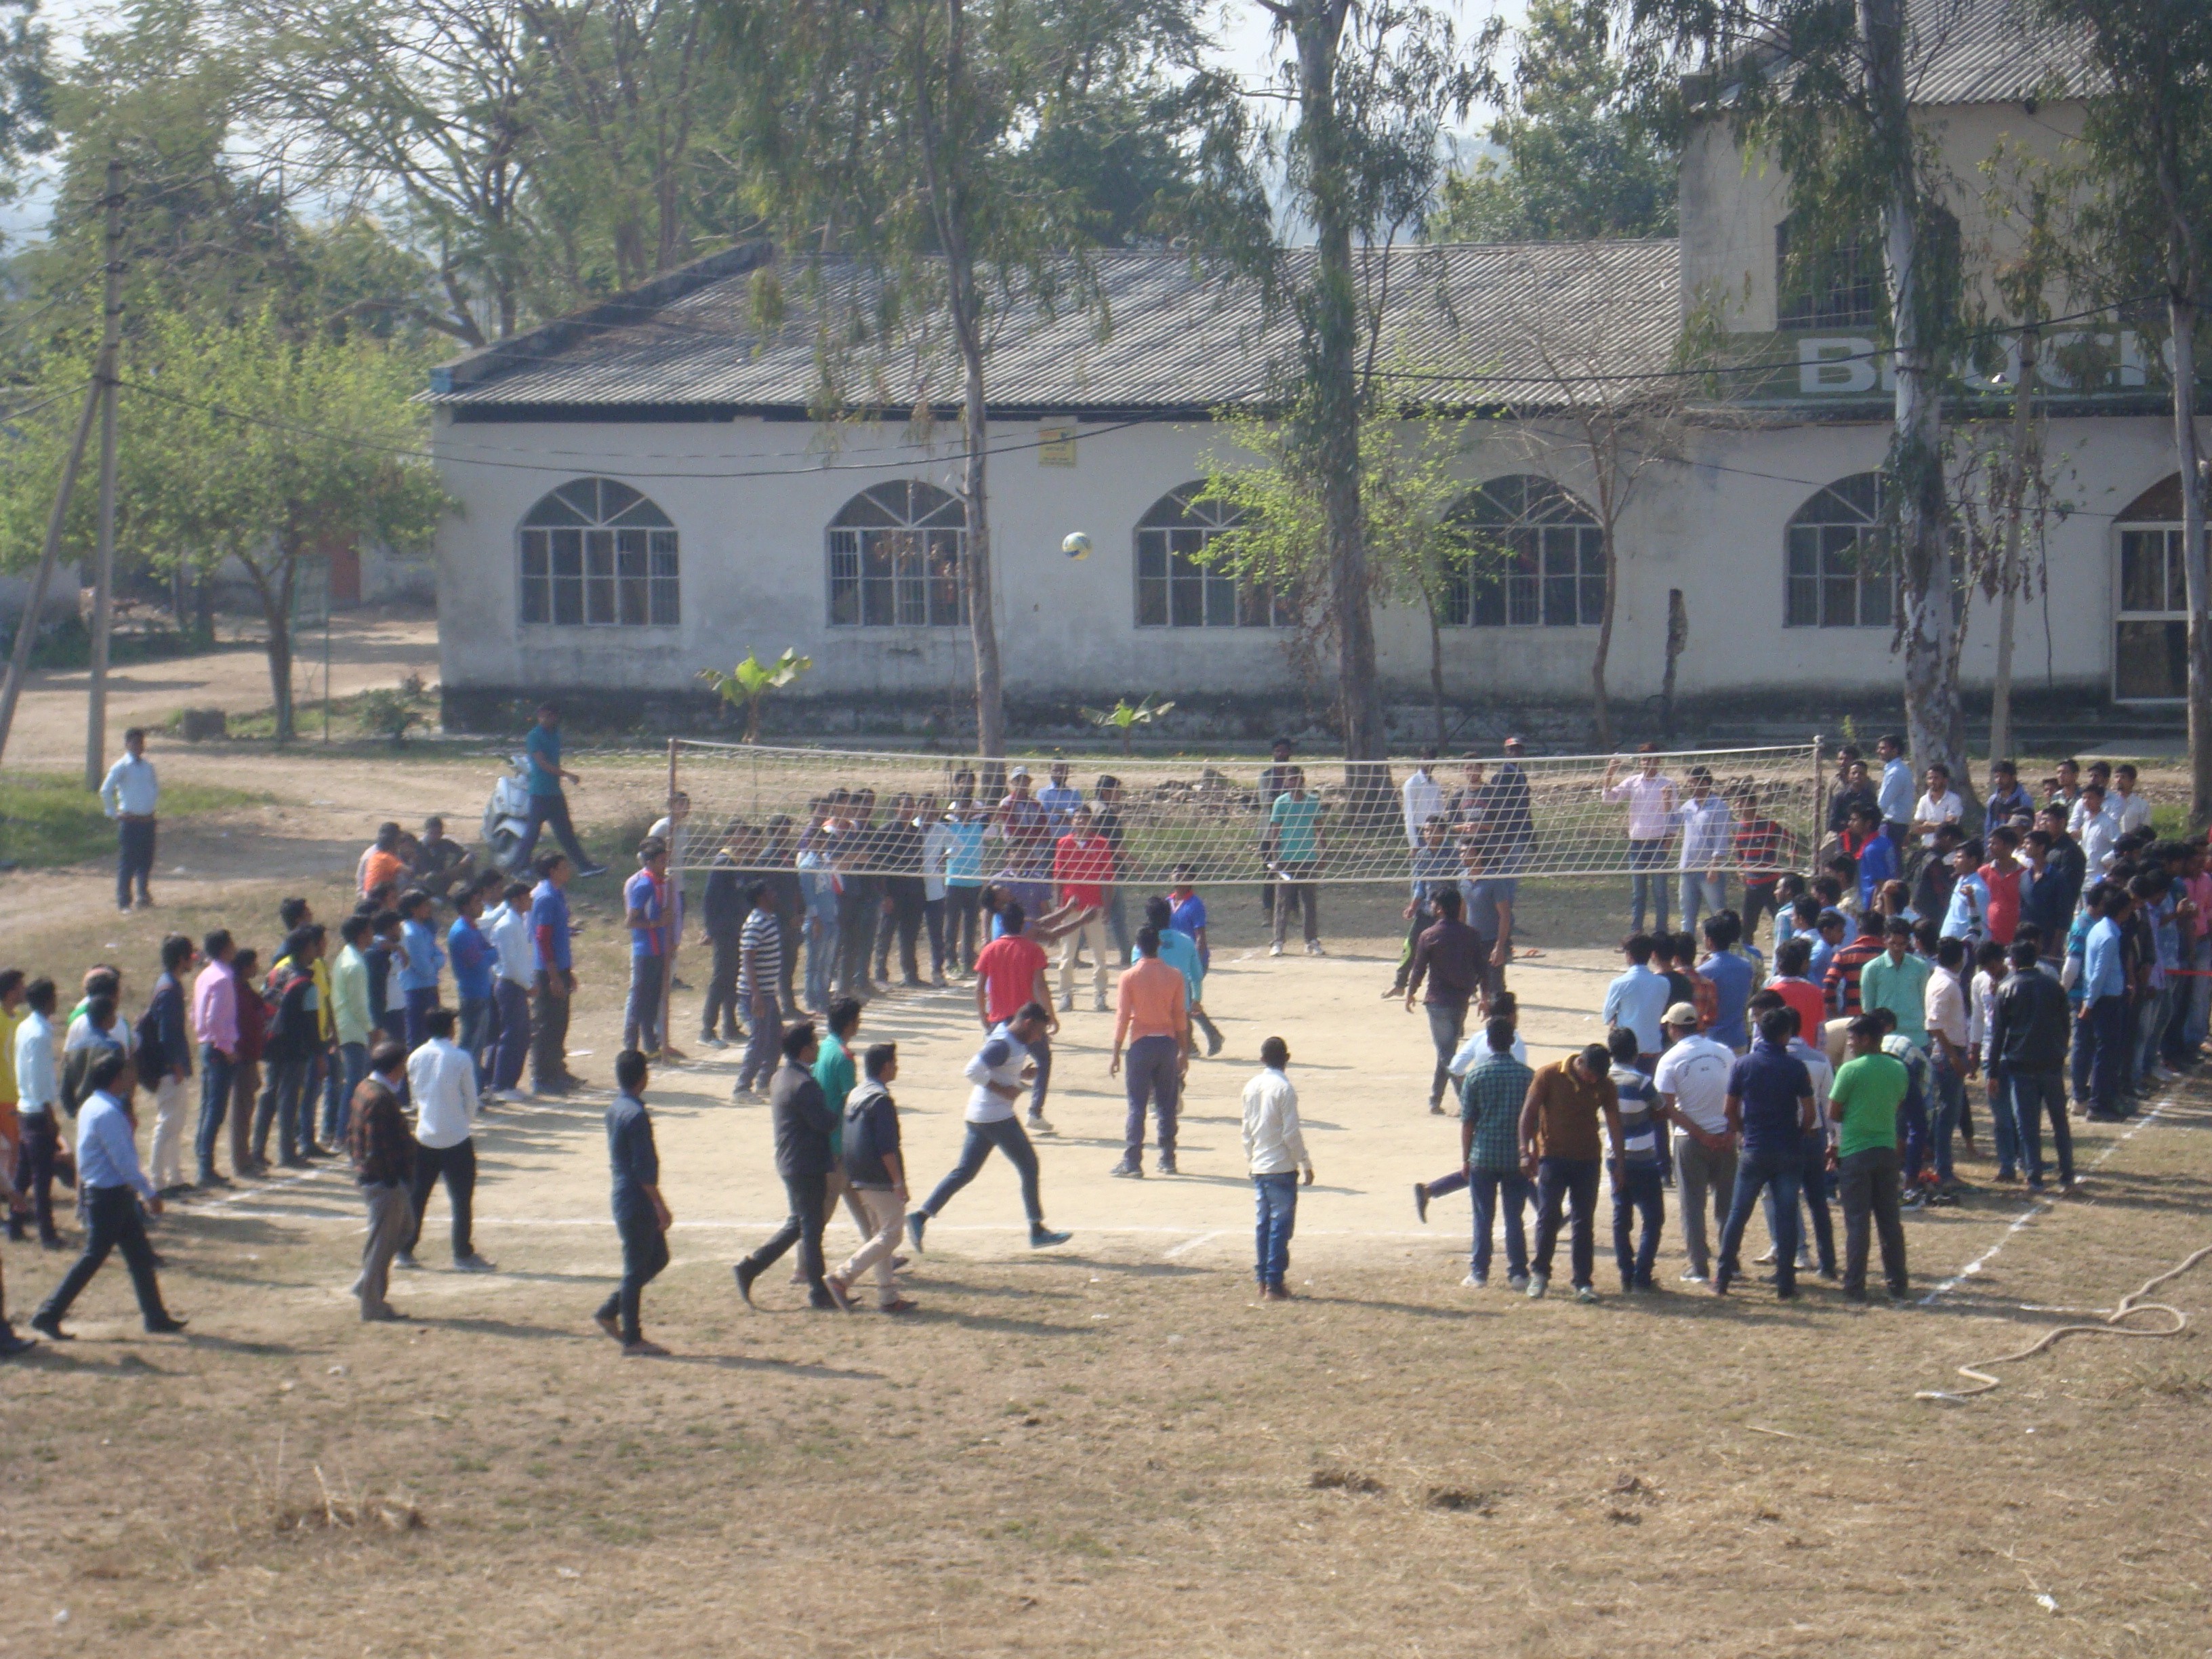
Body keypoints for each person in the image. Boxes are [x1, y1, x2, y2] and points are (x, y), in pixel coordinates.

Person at [33, 1048, 186, 1340]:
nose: (131, 1077)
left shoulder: (94, 1105)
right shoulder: (109, 1113)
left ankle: (155, 1316)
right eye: (126, 1073)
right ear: (117, 1078)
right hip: (109, 1196)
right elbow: (124, 1162)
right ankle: (48, 1313)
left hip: (109, 1195)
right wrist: (149, 1193)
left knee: (139, 1257)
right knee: (93, 1258)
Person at [907, 1006, 1072, 1254]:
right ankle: (1037, 1231)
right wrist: (1002, 1090)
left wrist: (1021, 1074)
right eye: (1039, 1030)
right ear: (1028, 1023)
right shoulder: (1003, 1043)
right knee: (1029, 1165)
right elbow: (972, 1070)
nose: (1039, 1037)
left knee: (964, 1173)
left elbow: (1000, 1069)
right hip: (996, 1117)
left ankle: (920, 1217)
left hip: (980, 1117)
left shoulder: (1012, 1040)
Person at [735, 1023, 846, 1310]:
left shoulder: (781, 1077)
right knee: (811, 1229)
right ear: (805, 1049)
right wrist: (843, 1109)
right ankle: (818, 1292)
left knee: (800, 1225)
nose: (819, 1048)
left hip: (792, 1161)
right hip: (806, 1164)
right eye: (815, 1044)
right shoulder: (804, 1084)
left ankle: (751, 1268)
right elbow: (823, 1122)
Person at [1712, 1007, 1816, 1299]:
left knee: (1738, 1214)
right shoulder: (1796, 1068)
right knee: (1786, 1215)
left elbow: (1729, 1110)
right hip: (1786, 1149)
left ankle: (1722, 1278)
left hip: (1755, 1148)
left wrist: (1743, 1131)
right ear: (1787, 1034)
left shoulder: (1744, 1065)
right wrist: (1799, 1133)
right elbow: (1809, 1112)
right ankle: (1786, 1283)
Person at [1518, 1043, 1622, 1303]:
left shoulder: (1605, 1085)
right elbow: (1529, 1112)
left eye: (1598, 1077)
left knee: (1583, 1221)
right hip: (1552, 1157)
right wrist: (1525, 1150)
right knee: (1548, 1215)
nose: (1593, 1080)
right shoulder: (1549, 1075)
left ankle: (1583, 1282)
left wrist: (1620, 1162)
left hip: (1588, 1160)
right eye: (1590, 1075)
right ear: (1581, 1063)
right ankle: (1540, 1274)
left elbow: (1614, 1123)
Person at [398, 1007, 494, 1272]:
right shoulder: (460, 1058)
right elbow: (471, 1099)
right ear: (450, 1029)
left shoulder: (415, 1057)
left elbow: (417, 1096)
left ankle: (405, 1250)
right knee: (462, 1199)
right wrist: (462, 1123)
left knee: (418, 1197)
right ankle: (462, 1254)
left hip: (425, 1135)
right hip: (456, 1138)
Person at [825, 1042, 915, 1315]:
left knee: (878, 1236)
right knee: (891, 1235)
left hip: (857, 1174)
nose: (896, 1068)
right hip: (879, 1177)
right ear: (886, 1067)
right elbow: (887, 1148)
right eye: (894, 1063)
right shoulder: (882, 1100)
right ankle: (842, 1276)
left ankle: (888, 1297)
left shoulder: (856, 1094)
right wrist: (898, 1182)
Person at [594, 1048, 672, 1353]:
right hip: (637, 1199)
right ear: (644, 1077)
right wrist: (659, 1204)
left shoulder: (616, 1109)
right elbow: (644, 1170)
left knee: (656, 1259)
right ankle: (632, 1338)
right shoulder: (637, 1115)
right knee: (635, 1267)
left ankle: (610, 1310)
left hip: (624, 1196)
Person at [1829, 1015, 1911, 1302]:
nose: (1849, 1044)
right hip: (1886, 1150)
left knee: (1857, 1223)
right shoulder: (1899, 1069)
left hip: (1855, 1152)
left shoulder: (1849, 1071)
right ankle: (1898, 1282)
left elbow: (1834, 1111)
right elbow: (1898, 1103)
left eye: (1852, 1039)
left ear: (1866, 1039)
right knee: (1890, 1220)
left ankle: (1855, 1285)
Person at [1653, 1002, 1734, 1282]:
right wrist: (1729, 1132)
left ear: (1674, 1028)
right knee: (1726, 1205)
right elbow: (1737, 1097)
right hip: (1724, 1138)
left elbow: (1667, 1108)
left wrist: (1700, 1134)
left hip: (1690, 1140)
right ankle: (1729, 1261)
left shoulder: (1670, 1060)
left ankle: (1699, 1266)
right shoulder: (1724, 1053)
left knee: (1693, 1206)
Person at [1456, 1016, 1536, 1289]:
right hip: (1516, 1156)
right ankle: (1518, 1272)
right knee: (1514, 1216)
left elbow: (1468, 1122)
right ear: (1512, 1041)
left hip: (1484, 1155)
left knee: (1482, 1216)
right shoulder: (1528, 1076)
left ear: (1488, 1043)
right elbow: (1536, 1121)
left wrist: (1465, 1158)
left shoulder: (1476, 1076)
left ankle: (1479, 1271)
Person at [1110, 926, 1191, 1176]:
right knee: (1167, 1104)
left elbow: (1123, 1016)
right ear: (1158, 945)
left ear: (1138, 947)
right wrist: (1184, 1050)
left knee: (1137, 1105)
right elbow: (1180, 1015)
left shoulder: (1129, 977)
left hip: (1141, 1043)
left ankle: (1133, 1161)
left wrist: (1115, 1051)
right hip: (1167, 1044)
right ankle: (1167, 1158)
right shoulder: (1175, 976)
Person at [971, 903, 1057, 1132]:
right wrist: (1052, 1016)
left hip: (1000, 1020)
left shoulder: (990, 949)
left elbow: (979, 988)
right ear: (1022, 924)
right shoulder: (1032, 949)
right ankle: (1035, 1112)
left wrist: (983, 1018)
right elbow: (1041, 985)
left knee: (994, 1065)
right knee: (1044, 1061)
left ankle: (993, 1111)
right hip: (1027, 1022)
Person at [347, 1040, 415, 1322]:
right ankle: (372, 1304)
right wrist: (392, 1180)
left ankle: (366, 1286)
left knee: (405, 1228)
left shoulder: (366, 1088)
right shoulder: (380, 1099)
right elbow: (379, 1147)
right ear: (397, 1067)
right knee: (382, 1244)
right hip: (382, 1182)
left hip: (373, 1178)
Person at [1242, 1035, 1313, 1302]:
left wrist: (1251, 1159)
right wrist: (1305, 1163)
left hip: (1259, 1165)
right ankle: (1274, 1284)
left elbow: (1246, 1131)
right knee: (1280, 1227)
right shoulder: (1285, 1089)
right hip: (1281, 1166)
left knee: (1263, 1224)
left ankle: (1262, 1280)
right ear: (1287, 1059)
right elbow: (1291, 1133)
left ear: (1262, 1060)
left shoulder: (1251, 1087)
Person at [1406, 886, 1486, 1111]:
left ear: (1439, 909)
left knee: (1447, 1055)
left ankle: (1467, 1102)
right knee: (1447, 1050)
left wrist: (1411, 992)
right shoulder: (1472, 935)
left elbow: (1419, 968)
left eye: (1433, 904)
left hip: (1438, 1002)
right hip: (1460, 1001)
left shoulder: (1429, 935)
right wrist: (1485, 996)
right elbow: (1483, 969)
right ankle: (1435, 1100)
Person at [514, 703, 606, 878]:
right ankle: (519, 867)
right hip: (540, 792)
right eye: (547, 715)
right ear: (540, 717)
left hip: (554, 792)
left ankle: (584, 866)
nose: (551, 719)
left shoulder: (555, 734)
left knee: (566, 833)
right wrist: (566, 774)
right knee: (532, 833)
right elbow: (542, 764)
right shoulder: (534, 736)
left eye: (553, 715)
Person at [1605, 1027, 1665, 1293]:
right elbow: (1661, 1109)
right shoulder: (1641, 1081)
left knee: (1621, 1215)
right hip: (1643, 1157)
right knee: (1653, 1218)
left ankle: (1626, 1273)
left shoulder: (1604, 1080)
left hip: (1614, 1156)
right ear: (1635, 1053)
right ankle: (1642, 1275)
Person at [140, 933, 195, 1195]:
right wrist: (176, 1065)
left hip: (168, 1066)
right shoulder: (170, 990)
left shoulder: (168, 985)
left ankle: (174, 1178)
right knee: (167, 1124)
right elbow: (168, 1034)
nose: (193, 960)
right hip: (167, 1068)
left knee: (174, 1123)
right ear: (180, 959)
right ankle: (157, 1180)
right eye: (190, 955)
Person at [1602, 747, 1676, 935]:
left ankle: (1661, 934)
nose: (1645, 763)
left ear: (1658, 761)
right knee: (1638, 894)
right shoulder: (1632, 782)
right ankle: (1636, 934)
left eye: (1650, 759)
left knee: (1660, 893)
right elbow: (1609, 800)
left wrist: (1669, 842)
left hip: (1658, 843)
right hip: (1637, 844)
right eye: (1643, 759)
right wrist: (1610, 772)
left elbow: (1674, 814)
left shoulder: (1668, 783)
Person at [1051, 805, 1115, 1012]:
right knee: (1067, 954)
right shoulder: (1064, 843)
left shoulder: (1101, 844)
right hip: (1071, 907)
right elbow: (1058, 875)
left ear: (1091, 822)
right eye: (1078, 819)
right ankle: (1066, 994)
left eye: (1085, 819)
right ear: (1072, 821)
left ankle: (1100, 994)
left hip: (1094, 906)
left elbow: (1108, 878)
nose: (1081, 822)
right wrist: (1058, 906)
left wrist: (1106, 906)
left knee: (1099, 954)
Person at [189, 930, 239, 1189]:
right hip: (218, 1049)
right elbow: (214, 1019)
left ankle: (203, 1161)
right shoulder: (224, 978)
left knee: (208, 1105)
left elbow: (196, 1014)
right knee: (215, 1108)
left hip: (205, 1045)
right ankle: (205, 1167)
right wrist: (226, 1047)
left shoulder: (204, 975)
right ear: (224, 949)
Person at [12, 979, 58, 1246]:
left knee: (24, 1173)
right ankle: (47, 1234)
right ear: (48, 1000)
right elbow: (41, 1081)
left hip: (25, 1107)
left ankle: (15, 1226)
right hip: (39, 1111)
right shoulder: (40, 1034)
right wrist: (51, 1117)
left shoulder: (25, 1026)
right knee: (42, 1177)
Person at [1923, 935, 1973, 1191]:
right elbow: (1934, 1024)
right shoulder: (1946, 984)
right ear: (1960, 958)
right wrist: (1953, 1056)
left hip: (1949, 1051)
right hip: (1948, 1053)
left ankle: (1943, 1167)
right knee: (1947, 1114)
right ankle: (1943, 1170)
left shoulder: (1942, 980)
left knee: (1948, 1113)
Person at [2081, 884, 2133, 1120]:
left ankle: (2107, 1099)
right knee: (2106, 1053)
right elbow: (2099, 974)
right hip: (2106, 1002)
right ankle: (2097, 1104)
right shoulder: (2110, 936)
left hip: (2106, 998)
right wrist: (2089, 1003)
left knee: (2108, 1052)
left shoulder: (2100, 929)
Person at [621, 836, 677, 1058]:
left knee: (653, 998)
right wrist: (656, 923)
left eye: (666, 860)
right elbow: (630, 921)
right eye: (662, 861)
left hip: (660, 949)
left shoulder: (663, 883)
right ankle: (630, 1046)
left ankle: (651, 1045)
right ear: (650, 863)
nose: (665, 865)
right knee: (639, 999)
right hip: (645, 950)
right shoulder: (643, 886)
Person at [529, 854, 579, 1095]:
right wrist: (553, 976)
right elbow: (543, 937)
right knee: (547, 1023)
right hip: (547, 969)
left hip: (559, 967)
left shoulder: (556, 893)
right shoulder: (546, 897)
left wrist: (566, 972)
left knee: (560, 1022)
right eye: (563, 867)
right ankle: (542, 1076)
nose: (568, 870)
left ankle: (557, 1069)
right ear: (552, 871)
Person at [1263, 767, 1325, 956]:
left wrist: (1324, 852)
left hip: (1307, 858)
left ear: (1302, 781)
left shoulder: (1313, 802)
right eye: (1290, 780)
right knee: (1282, 901)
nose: (1294, 783)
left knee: (1309, 902)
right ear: (1287, 782)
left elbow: (1320, 828)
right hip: (1287, 858)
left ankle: (1311, 941)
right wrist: (1275, 856)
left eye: (1297, 779)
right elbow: (1275, 829)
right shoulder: (1280, 803)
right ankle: (1278, 942)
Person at [1156, 884, 1224, 1055]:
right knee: (1183, 1003)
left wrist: (1197, 964)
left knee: (1184, 1003)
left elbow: (1200, 935)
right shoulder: (1167, 902)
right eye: (1175, 874)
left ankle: (1191, 1044)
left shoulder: (1195, 904)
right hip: (1175, 960)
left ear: (1191, 880)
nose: (1178, 878)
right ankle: (1209, 1036)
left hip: (1190, 959)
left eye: (1183, 875)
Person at [98, 726, 160, 912]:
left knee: (146, 860)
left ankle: (143, 895)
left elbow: (154, 788)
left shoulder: (148, 767)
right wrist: (112, 812)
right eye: (134, 742)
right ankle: (124, 901)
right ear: (127, 744)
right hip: (130, 821)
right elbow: (106, 790)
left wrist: (149, 805)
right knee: (128, 863)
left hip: (147, 820)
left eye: (141, 743)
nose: (138, 746)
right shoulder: (121, 766)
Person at [483, 881, 535, 1094]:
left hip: (517, 984)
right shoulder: (506, 925)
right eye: (526, 897)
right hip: (510, 984)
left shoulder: (517, 922)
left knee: (520, 1035)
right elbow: (510, 964)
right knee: (512, 1034)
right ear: (515, 900)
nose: (530, 901)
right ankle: (501, 1084)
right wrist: (529, 985)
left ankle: (509, 1082)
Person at [735, 882, 786, 1095]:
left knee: (776, 1037)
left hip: (767, 992)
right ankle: (742, 1088)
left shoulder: (770, 919)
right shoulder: (756, 923)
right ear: (761, 897)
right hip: (755, 994)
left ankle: (764, 1082)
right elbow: (748, 960)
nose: (775, 893)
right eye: (771, 891)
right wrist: (756, 995)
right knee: (759, 1039)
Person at [447, 880, 499, 1086]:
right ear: (467, 906)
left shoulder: (472, 929)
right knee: (470, 1047)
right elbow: (482, 962)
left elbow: (489, 952)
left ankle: (475, 1090)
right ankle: (465, 1090)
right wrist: (492, 952)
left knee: (478, 1047)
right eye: (477, 902)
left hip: (481, 992)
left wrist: (490, 953)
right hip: (472, 995)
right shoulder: (462, 933)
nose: (481, 905)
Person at [329, 915, 376, 1135]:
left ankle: (344, 1133)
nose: (372, 935)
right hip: (353, 1030)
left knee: (353, 1083)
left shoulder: (346, 957)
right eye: (369, 931)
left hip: (346, 1027)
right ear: (361, 935)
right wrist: (372, 1029)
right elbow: (359, 1006)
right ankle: (344, 1133)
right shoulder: (356, 964)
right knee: (355, 1085)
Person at [1674, 766, 1734, 935]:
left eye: (1693, 782)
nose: (1689, 786)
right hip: (1688, 868)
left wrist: (1714, 866)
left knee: (1718, 914)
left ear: (1705, 783)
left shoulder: (1719, 807)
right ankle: (1686, 952)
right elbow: (1672, 825)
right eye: (1689, 783)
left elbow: (1722, 838)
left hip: (1709, 869)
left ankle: (1723, 950)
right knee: (1687, 916)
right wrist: (1666, 802)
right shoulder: (1688, 806)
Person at [1860, 916, 1932, 1048]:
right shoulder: (1871, 969)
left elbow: (1925, 1002)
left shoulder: (1920, 967)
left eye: (1902, 944)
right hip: (1886, 1039)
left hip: (1916, 1037)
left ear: (1908, 942)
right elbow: (1868, 1008)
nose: (1897, 948)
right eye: (1893, 943)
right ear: (1885, 940)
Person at [1696, 914, 1755, 1052]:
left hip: (1713, 1040)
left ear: (1709, 941)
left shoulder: (1704, 971)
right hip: (1739, 1038)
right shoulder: (1746, 966)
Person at [396, 888, 445, 1052]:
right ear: (413, 909)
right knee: (418, 1041)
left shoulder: (423, 929)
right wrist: (434, 961)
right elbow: (425, 969)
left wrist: (434, 960)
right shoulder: (411, 934)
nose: (429, 909)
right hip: (417, 992)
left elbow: (440, 956)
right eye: (425, 906)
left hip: (428, 989)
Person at [1256, 737, 1296, 924]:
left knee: (1293, 874)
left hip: (1291, 832)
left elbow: (1298, 799)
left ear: (1290, 753)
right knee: (1269, 873)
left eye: (1284, 751)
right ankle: (1267, 911)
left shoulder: (1296, 775)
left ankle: (1293, 911)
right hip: (1268, 833)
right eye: (1277, 751)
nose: (1280, 754)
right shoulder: (1266, 777)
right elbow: (1267, 802)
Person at [1768, 937, 1827, 1046]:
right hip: (1808, 1055)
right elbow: (1821, 1034)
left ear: (1779, 964)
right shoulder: (1816, 992)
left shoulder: (1770, 993)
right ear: (1804, 963)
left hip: (1777, 1055)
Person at [412, 815, 478, 900]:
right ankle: (437, 897)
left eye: (438, 833)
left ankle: (472, 891)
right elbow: (424, 872)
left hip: (444, 876)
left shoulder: (444, 843)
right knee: (431, 877)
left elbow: (465, 852)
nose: (435, 836)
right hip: (425, 882)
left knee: (468, 864)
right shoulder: (418, 847)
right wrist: (449, 872)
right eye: (432, 833)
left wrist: (462, 863)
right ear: (426, 832)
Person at [1909, 763, 1965, 852]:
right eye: (1930, 778)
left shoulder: (1954, 799)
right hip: (1927, 850)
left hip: (1948, 852)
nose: (1932, 781)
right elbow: (1918, 828)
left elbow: (1950, 826)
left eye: (1936, 778)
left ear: (1945, 780)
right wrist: (1941, 827)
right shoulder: (1923, 800)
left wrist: (1928, 824)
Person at [1874, 733, 1915, 846]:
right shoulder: (1900, 769)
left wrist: (1872, 823)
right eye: (1879, 748)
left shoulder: (1895, 772)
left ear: (1895, 750)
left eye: (1883, 748)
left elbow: (1883, 804)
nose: (1878, 751)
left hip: (1892, 826)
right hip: (1897, 825)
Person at [359, 823, 407, 901]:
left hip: (372, 894)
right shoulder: (386, 857)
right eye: (399, 841)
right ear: (394, 842)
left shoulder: (376, 855)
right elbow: (408, 872)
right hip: (379, 897)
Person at [1986, 758, 2035, 827]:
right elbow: (1988, 826)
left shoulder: (2024, 800)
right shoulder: (1993, 800)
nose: (1999, 780)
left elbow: (2029, 826)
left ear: (2013, 777)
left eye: (2003, 776)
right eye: (1997, 777)